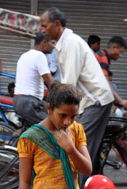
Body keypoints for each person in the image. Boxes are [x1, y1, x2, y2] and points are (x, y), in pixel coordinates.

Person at [40, 7, 114, 177]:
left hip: (96, 101)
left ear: (57, 24)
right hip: (88, 101)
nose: (42, 30)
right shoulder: (63, 44)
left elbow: (70, 84)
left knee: (78, 147)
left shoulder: (71, 43)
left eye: (44, 26)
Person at [14, 32, 55, 127]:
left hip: (20, 101)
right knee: (54, 125)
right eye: (52, 43)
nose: (53, 46)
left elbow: (44, 81)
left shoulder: (25, 55)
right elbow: (49, 81)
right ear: (44, 43)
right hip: (30, 103)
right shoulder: (39, 56)